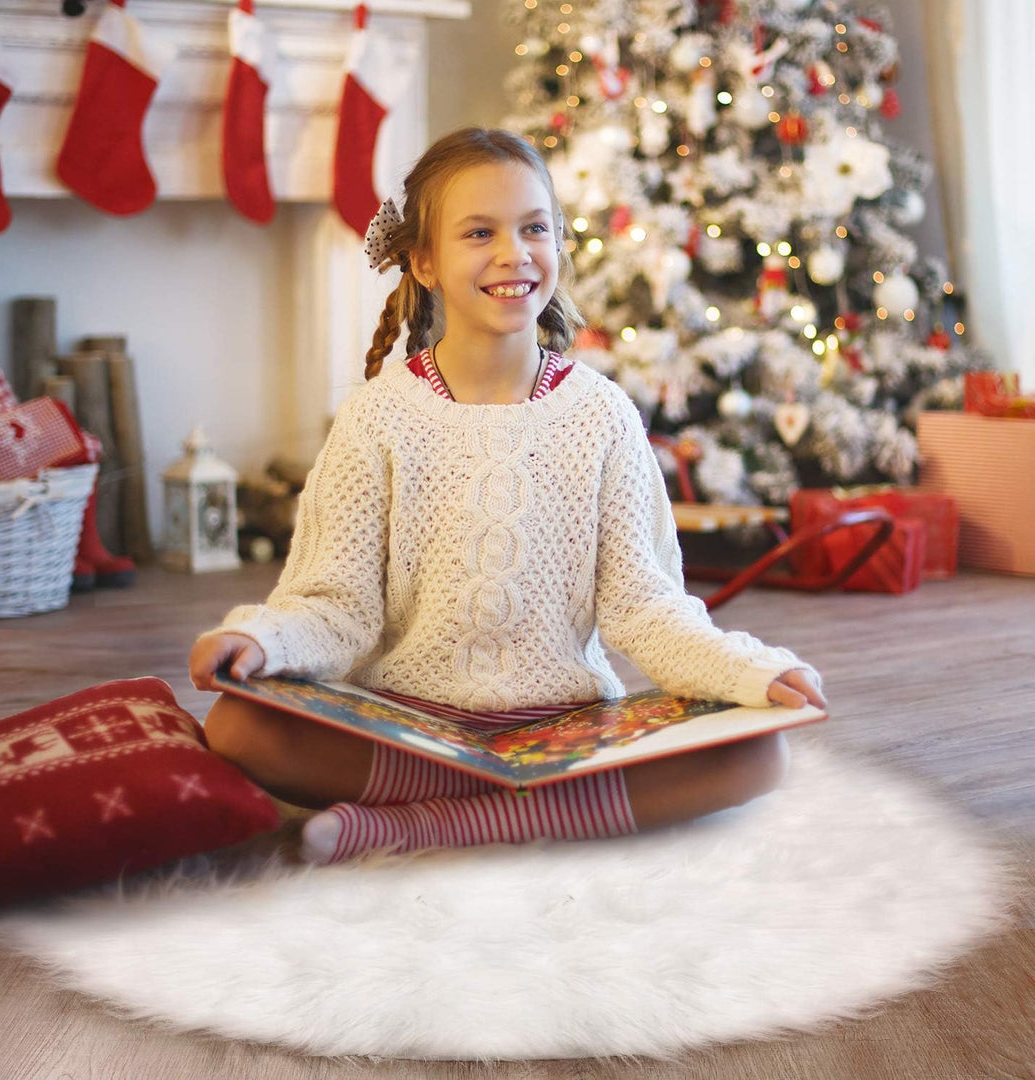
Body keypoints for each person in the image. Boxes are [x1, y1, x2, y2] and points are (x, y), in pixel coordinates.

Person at [189, 127, 825, 867]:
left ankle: (431, 826)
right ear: (423, 261)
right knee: (238, 728)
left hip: (571, 730)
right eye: (479, 233)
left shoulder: (602, 415)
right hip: (408, 727)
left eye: (534, 229)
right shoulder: (378, 416)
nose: (513, 254)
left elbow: (644, 607)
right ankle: (522, 814)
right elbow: (336, 605)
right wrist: (263, 640)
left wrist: (747, 670)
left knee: (760, 758)